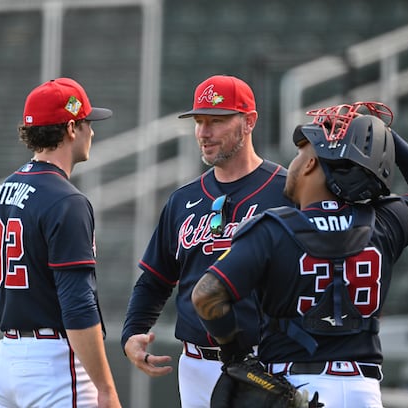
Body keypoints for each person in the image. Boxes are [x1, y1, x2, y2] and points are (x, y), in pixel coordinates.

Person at [191, 102, 408, 407]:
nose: (294, 161)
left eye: (300, 153)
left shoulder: (272, 228)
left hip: (296, 390)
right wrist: (384, 138)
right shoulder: (386, 221)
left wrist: (234, 353)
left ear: (312, 164)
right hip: (363, 390)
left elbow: (205, 295)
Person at [121, 74, 294, 408]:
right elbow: (154, 280)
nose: (203, 132)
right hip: (196, 364)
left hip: (265, 362)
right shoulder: (182, 199)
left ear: (249, 122)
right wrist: (132, 332)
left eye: (216, 121)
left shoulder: (286, 191)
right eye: (199, 121)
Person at [0, 77, 122, 408]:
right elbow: (77, 305)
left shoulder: (1, 192)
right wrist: (105, 387)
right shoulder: (66, 201)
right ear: (72, 128)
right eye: (88, 122)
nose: (93, 131)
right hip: (52, 366)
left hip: (7, 357)